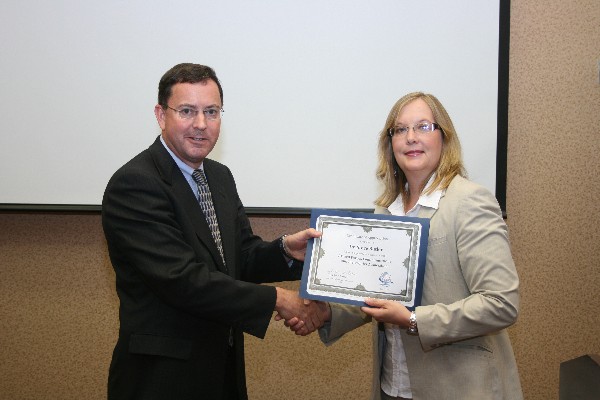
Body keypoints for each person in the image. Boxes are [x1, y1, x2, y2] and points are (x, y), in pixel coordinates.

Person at [102, 63, 323, 400]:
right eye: (187, 111)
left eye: (212, 111)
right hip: (163, 380)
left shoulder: (218, 176)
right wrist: (278, 299)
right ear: (161, 115)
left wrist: (285, 250)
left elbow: (239, 258)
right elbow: (183, 280)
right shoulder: (136, 184)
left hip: (221, 372)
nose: (201, 124)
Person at [287, 92, 523, 399]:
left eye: (423, 126)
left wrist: (413, 320)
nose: (411, 137)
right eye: (400, 130)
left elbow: (501, 304)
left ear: (444, 137)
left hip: (457, 387)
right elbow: (374, 295)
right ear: (390, 143)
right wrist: (326, 312)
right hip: (393, 386)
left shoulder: (469, 202)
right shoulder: (386, 211)